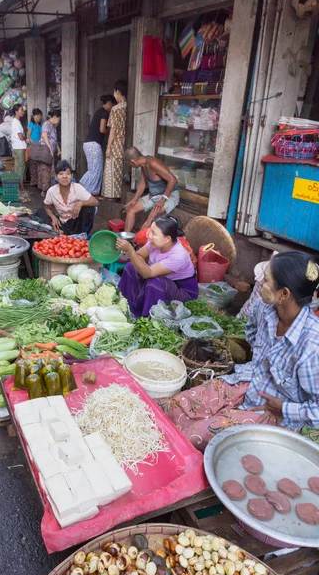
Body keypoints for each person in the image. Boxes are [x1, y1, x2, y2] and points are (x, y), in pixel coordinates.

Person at [160, 251, 319, 451]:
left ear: (284, 294)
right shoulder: (264, 308)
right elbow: (251, 331)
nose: (259, 282)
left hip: (274, 414)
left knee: (191, 437)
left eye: (267, 280)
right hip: (248, 383)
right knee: (179, 404)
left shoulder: (312, 346)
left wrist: (285, 408)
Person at [117, 215, 198, 318]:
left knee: (154, 282)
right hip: (163, 281)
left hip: (183, 291)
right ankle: (125, 304)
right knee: (131, 267)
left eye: (154, 233)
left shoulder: (178, 256)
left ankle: (147, 318)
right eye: (150, 231)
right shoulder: (155, 243)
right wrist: (140, 263)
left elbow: (148, 273)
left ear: (167, 239)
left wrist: (130, 250)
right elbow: (140, 256)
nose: (149, 236)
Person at [123, 146, 180, 232]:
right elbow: (143, 183)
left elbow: (173, 180)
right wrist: (134, 199)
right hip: (154, 195)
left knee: (152, 216)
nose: (131, 166)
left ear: (133, 161)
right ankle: (125, 239)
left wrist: (162, 200)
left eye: (130, 164)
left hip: (169, 195)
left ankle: (138, 243)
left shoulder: (153, 163)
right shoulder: (143, 164)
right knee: (131, 209)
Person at [44, 159, 99, 235]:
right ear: (56, 177)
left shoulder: (77, 188)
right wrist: (53, 217)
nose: (64, 176)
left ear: (71, 176)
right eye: (61, 174)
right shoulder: (51, 191)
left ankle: (80, 234)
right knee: (41, 214)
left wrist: (81, 203)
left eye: (68, 173)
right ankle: (62, 231)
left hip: (76, 221)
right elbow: (47, 208)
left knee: (90, 209)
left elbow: (96, 202)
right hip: (62, 222)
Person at [80, 94, 116, 195]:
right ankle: (83, 188)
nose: (112, 108)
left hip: (88, 144)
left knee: (93, 169)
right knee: (96, 169)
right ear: (109, 103)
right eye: (112, 105)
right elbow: (102, 129)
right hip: (94, 145)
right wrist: (111, 131)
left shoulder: (98, 112)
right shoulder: (104, 113)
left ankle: (88, 190)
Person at [101, 80, 127, 200]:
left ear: (118, 92)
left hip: (116, 143)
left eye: (115, 91)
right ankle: (119, 194)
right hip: (123, 143)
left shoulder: (116, 109)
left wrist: (108, 146)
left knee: (111, 170)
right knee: (119, 169)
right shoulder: (128, 106)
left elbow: (113, 129)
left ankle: (110, 196)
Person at [36, 109, 61, 196]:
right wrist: (50, 148)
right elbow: (44, 135)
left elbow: (54, 139)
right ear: (54, 117)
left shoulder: (53, 126)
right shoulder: (46, 124)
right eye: (59, 119)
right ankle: (44, 190)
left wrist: (58, 149)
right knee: (45, 171)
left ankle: (51, 190)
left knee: (52, 171)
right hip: (45, 152)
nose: (59, 121)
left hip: (51, 152)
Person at [11, 103, 29, 202]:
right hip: (19, 146)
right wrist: (26, 138)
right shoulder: (16, 122)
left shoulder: (16, 121)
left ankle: (19, 186)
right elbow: (21, 137)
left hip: (18, 146)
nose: (23, 111)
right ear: (16, 112)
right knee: (20, 167)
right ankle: (21, 187)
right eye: (21, 110)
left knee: (19, 166)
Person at [26, 108, 43, 187]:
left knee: (38, 165)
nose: (39, 117)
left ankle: (38, 182)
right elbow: (28, 136)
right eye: (37, 115)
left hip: (39, 147)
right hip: (32, 147)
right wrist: (33, 143)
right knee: (32, 165)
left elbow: (41, 136)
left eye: (40, 115)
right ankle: (33, 182)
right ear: (33, 116)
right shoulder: (31, 124)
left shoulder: (41, 125)